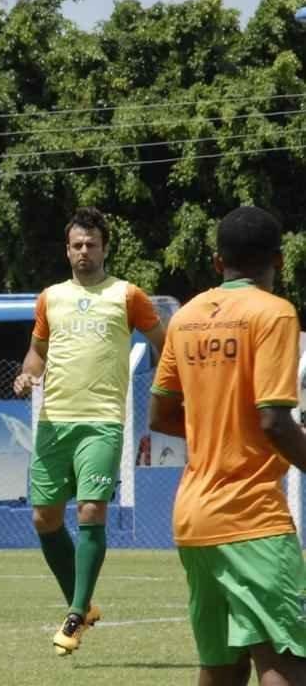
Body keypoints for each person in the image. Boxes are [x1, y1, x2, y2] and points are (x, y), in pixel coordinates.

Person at [150, 206, 306, 686]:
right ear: (278, 262)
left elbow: (159, 416)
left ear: (218, 263)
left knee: (222, 666)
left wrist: (216, 429)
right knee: (283, 663)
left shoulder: (187, 317)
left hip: (194, 519)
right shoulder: (274, 314)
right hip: (251, 516)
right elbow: (275, 423)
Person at [12, 206, 165, 655]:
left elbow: (165, 342)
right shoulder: (50, 298)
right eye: (77, 245)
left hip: (102, 421)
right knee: (45, 518)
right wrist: (28, 376)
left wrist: (171, 385)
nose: (84, 251)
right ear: (67, 249)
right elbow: (35, 354)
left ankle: (75, 617)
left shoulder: (127, 295)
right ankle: (83, 603)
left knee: (91, 511)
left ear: (105, 247)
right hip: (54, 423)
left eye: (91, 244)